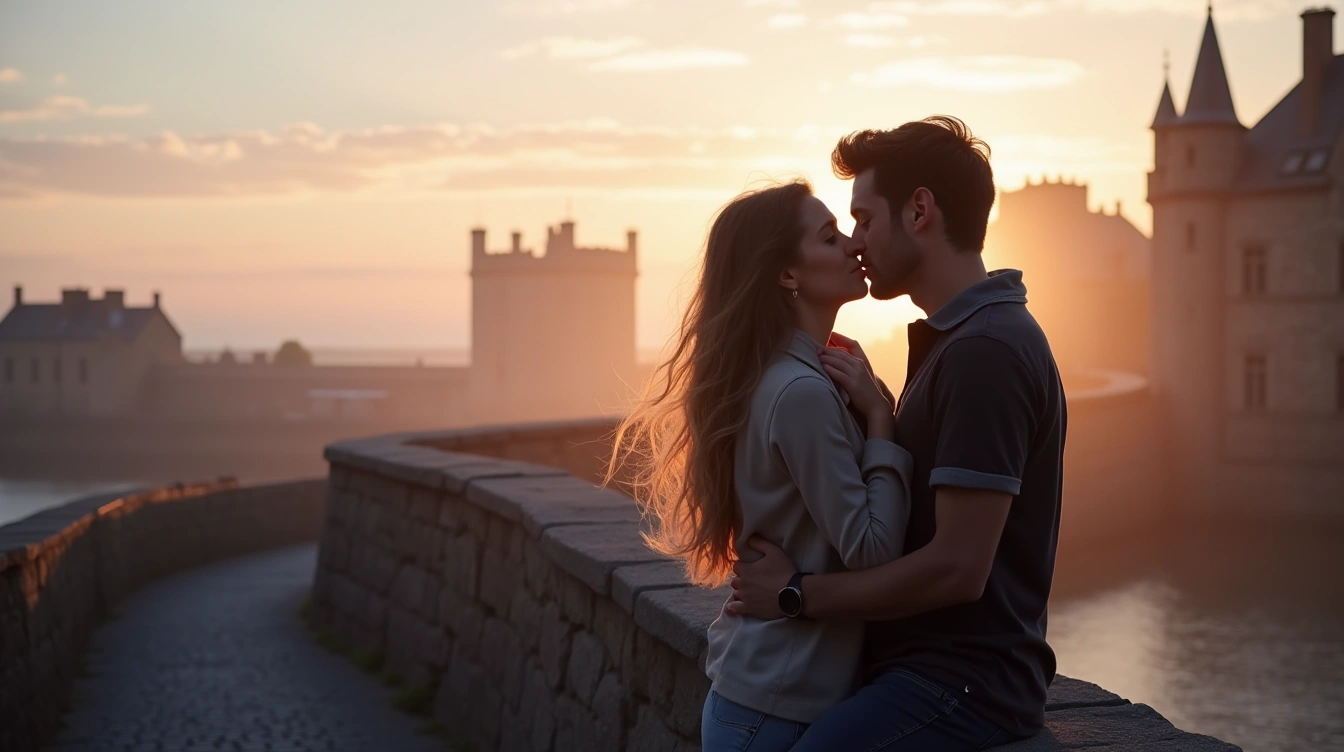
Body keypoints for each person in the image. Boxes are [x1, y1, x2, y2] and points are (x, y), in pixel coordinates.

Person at [726, 116, 1067, 750]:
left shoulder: (985, 350)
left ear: (919, 212)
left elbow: (958, 571)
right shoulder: (960, 341)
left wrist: (796, 595)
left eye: (862, 219)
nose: (855, 243)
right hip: (922, 675)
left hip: (960, 686)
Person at [606, 179, 915, 752]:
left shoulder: (788, 375)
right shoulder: (799, 391)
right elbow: (873, 551)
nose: (853, 246)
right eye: (829, 237)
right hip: (775, 711)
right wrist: (881, 421)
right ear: (786, 275)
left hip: (763, 700)